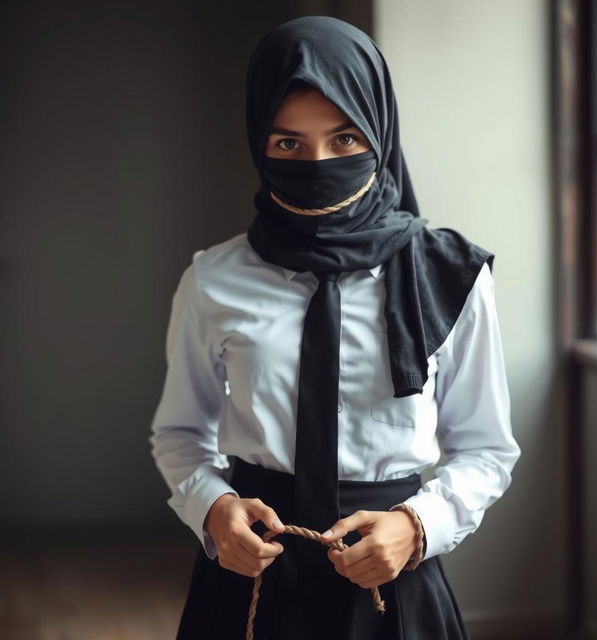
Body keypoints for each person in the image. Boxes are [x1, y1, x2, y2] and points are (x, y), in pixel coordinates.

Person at [149, 15, 521, 640]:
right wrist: (212, 511)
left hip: (394, 577)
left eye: (345, 139)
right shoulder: (212, 279)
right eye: (288, 143)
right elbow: (179, 432)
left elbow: (487, 448)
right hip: (251, 576)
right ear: (257, 140)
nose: (318, 163)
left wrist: (419, 524)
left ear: (378, 131)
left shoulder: (450, 276)